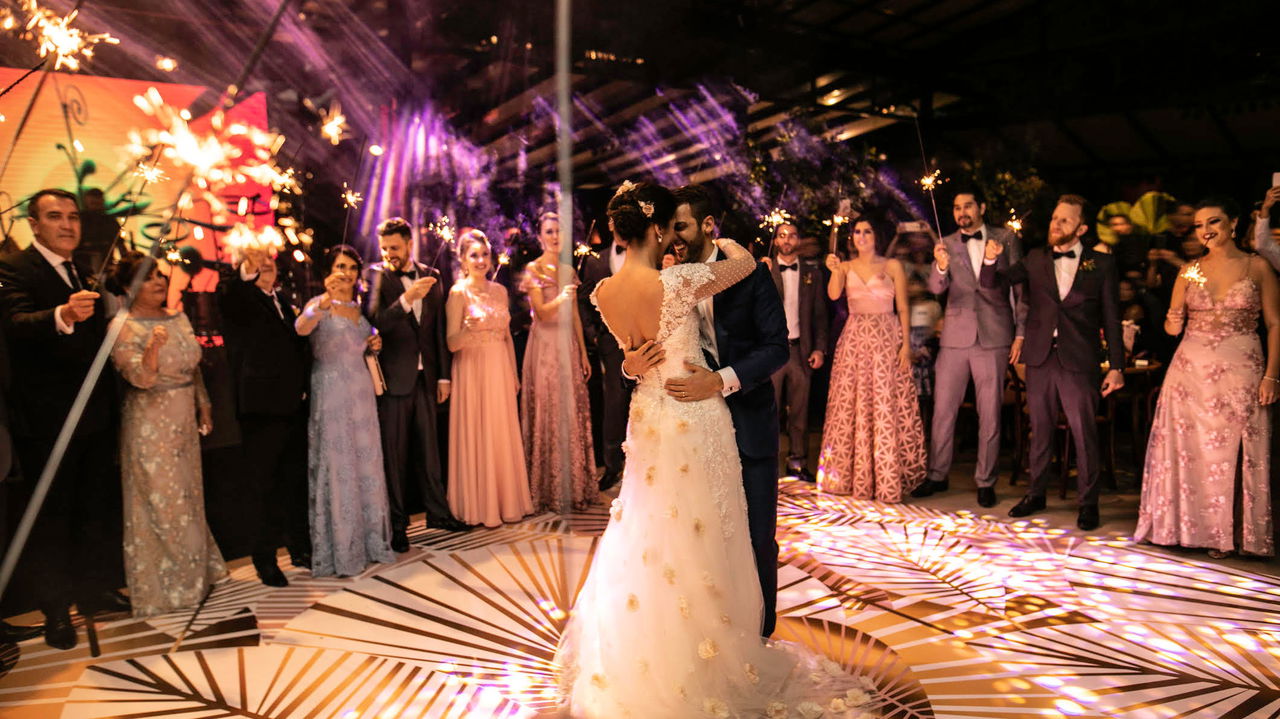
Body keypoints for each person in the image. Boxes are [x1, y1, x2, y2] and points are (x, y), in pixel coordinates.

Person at [556, 181, 878, 717]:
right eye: (669, 227)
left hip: (660, 420)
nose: (675, 238)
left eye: (686, 227)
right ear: (657, 229)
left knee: (667, 534)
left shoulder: (605, 292)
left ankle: (719, 642)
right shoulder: (680, 282)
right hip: (691, 421)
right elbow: (745, 262)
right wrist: (633, 363)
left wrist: (641, 367)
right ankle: (720, 657)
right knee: (700, 536)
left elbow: (640, 353)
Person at [0, 188, 128, 650]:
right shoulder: (14, 269)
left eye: (73, 217)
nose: (68, 225)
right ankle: (56, 611)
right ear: (33, 224)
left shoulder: (83, 268)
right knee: (51, 518)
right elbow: (14, 324)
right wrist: (61, 314)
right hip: (46, 421)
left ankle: (93, 592)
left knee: (92, 509)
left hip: (93, 416)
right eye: (55, 217)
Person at [1136, 198, 1277, 558]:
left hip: (1242, 369)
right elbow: (1172, 329)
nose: (1206, 230)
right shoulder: (1189, 271)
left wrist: (1272, 376)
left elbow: (1275, 324)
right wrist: (1172, 313)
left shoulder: (1257, 266)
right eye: (1199, 225)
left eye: (1213, 221)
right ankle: (1189, 530)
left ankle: (1233, 534)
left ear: (1232, 223)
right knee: (1191, 453)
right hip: (1189, 373)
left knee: (1233, 452)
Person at [980, 194, 1125, 531]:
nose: (1055, 225)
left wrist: (1116, 366)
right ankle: (1036, 493)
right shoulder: (1034, 259)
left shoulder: (1101, 264)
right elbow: (993, 285)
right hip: (1041, 358)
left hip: (1079, 359)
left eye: (1064, 220)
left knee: (1084, 432)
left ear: (1081, 228)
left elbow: (1112, 317)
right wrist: (990, 261)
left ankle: (1088, 503)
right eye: (1054, 218)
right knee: (1040, 431)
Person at [108, 252, 227, 615]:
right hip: (149, 425)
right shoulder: (122, 324)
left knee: (188, 499)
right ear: (129, 287)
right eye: (147, 277)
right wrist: (153, 349)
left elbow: (195, 369)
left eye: (160, 275)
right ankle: (169, 587)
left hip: (183, 424)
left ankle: (195, 575)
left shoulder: (178, 316)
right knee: (161, 505)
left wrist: (203, 406)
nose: (159, 282)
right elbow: (140, 378)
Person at [912, 189, 1024, 507]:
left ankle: (985, 480)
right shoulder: (945, 242)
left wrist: (1021, 334)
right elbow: (935, 288)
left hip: (995, 335)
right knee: (943, 410)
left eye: (968, 206)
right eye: (957, 207)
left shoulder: (1005, 237)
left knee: (989, 413)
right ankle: (937, 474)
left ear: (982, 207)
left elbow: (1019, 287)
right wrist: (941, 267)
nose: (962, 212)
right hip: (955, 337)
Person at [364, 218, 468, 547]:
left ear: (410, 244)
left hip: (427, 377)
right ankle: (397, 525)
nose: (388, 253)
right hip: (395, 379)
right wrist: (406, 298)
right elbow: (375, 321)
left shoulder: (432, 275)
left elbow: (437, 330)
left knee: (430, 452)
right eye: (384, 248)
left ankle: (439, 512)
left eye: (394, 247)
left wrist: (443, 375)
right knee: (394, 456)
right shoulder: (376, 275)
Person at [295, 245, 394, 577]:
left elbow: (363, 340)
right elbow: (301, 328)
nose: (347, 273)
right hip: (331, 393)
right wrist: (323, 302)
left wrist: (373, 341)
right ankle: (340, 548)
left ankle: (369, 542)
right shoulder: (318, 305)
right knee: (337, 466)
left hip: (361, 394)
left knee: (364, 462)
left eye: (352, 267)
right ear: (329, 270)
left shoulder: (358, 308)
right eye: (340, 266)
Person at [218, 247, 312, 586]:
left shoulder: (284, 301)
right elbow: (229, 295)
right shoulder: (241, 302)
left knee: (293, 481)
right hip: (261, 408)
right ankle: (265, 559)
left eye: (270, 262)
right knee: (263, 487)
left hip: (293, 405)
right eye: (259, 264)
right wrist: (245, 273)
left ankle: (300, 547)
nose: (267, 266)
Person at [817, 215, 927, 502]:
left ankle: (886, 478)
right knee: (853, 405)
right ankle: (855, 478)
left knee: (883, 405)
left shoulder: (892, 266)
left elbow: (903, 307)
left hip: (885, 337)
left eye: (867, 231)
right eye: (857, 232)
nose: (862, 236)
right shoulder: (845, 266)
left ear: (877, 236)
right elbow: (832, 295)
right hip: (854, 339)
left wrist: (904, 345)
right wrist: (833, 270)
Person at [445, 230, 533, 527]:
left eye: (484, 254)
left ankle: (507, 502)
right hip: (472, 370)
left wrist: (513, 372)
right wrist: (468, 330)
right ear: (463, 260)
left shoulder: (500, 291)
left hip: (498, 367)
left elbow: (507, 336)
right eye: (474, 256)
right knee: (478, 432)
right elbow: (451, 343)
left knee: (500, 432)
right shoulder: (458, 293)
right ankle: (479, 507)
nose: (481, 260)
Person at [520, 212, 598, 513]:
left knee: (571, 410)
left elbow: (575, 315)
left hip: (566, 344)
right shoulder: (534, 269)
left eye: (558, 231)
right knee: (548, 410)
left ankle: (575, 487)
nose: (554, 236)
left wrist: (580, 350)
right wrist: (562, 299)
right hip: (544, 348)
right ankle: (547, 490)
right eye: (549, 231)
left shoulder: (567, 269)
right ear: (540, 236)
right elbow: (541, 313)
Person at [768, 222, 828, 482]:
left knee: (800, 412)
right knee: (770, 410)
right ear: (776, 241)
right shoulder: (764, 269)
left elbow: (820, 315)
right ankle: (767, 464)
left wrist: (819, 348)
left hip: (799, 350)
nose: (787, 239)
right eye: (782, 235)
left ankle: (797, 462)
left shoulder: (812, 274)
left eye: (792, 235)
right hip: (771, 351)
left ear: (799, 240)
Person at [578, 214, 633, 492]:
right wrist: (595, 336)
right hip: (611, 344)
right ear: (610, 225)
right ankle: (612, 467)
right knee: (614, 404)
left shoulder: (647, 257)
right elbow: (585, 299)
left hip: (643, 340)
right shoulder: (595, 260)